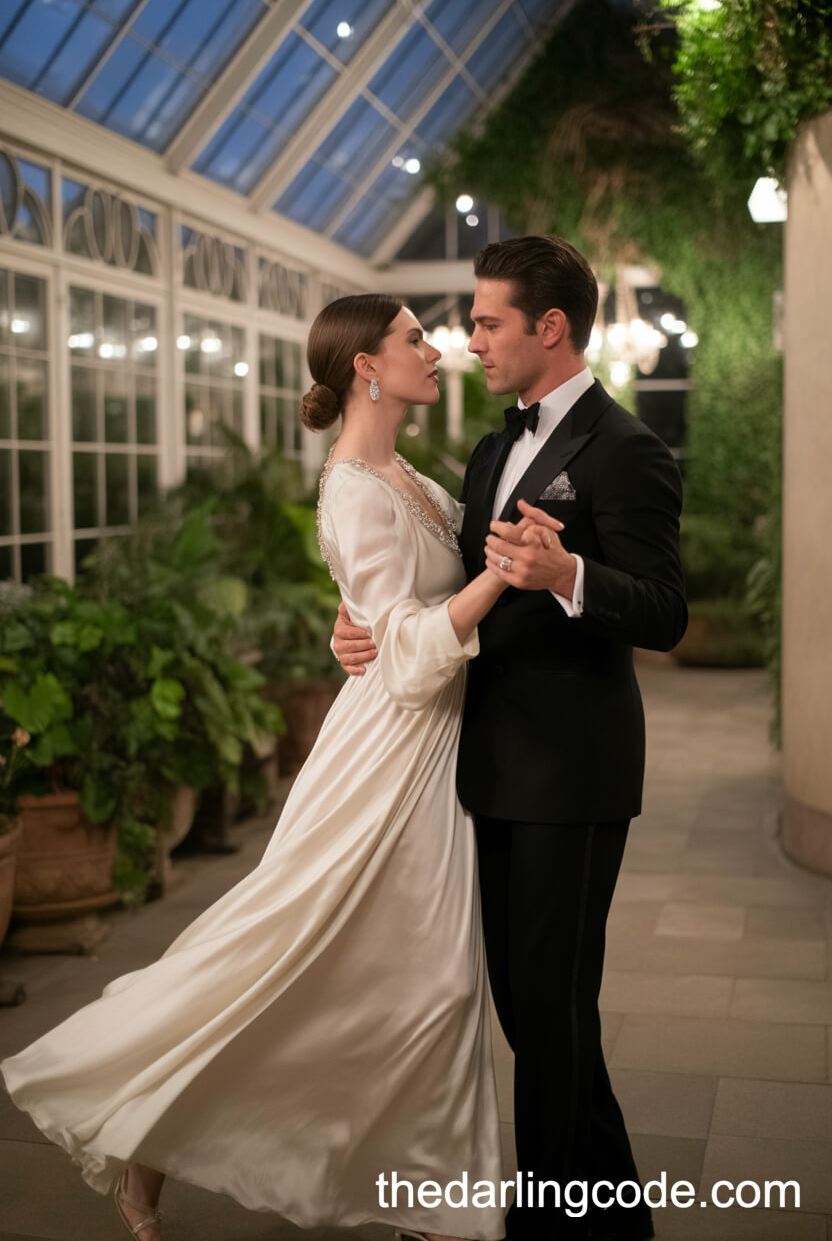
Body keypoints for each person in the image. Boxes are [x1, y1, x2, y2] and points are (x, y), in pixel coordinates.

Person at [1, 295, 514, 1241]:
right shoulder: (357, 486)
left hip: (434, 752)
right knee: (295, 957)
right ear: (366, 365)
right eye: (413, 339)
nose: (436, 349)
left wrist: (367, 613)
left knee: (429, 982)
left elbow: (381, 609)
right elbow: (401, 643)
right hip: (385, 756)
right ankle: (146, 1132)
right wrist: (500, 576)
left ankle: (431, 1201)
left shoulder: (402, 470)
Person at [333, 236, 688, 1241]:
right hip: (484, 762)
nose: (471, 340)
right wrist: (357, 620)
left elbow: (663, 608)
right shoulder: (494, 447)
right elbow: (435, 581)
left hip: (572, 772)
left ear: (550, 327)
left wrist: (569, 576)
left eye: (488, 322)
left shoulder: (628, 451)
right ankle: (614, 1219)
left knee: (549, 1008)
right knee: (536, 1014)